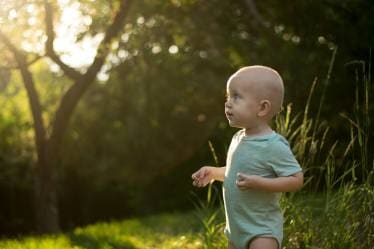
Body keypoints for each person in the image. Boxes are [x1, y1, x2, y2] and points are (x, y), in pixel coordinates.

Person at [191, 65, 304, 249]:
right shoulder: (238, 138)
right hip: (236, 231)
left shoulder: (273, 144)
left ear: (262, 108)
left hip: (262, 231)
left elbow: (296, 179)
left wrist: (260, 183)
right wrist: (213, 173)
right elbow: (238, 175)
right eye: (228, 97)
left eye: (236, 97)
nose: (228, 103)